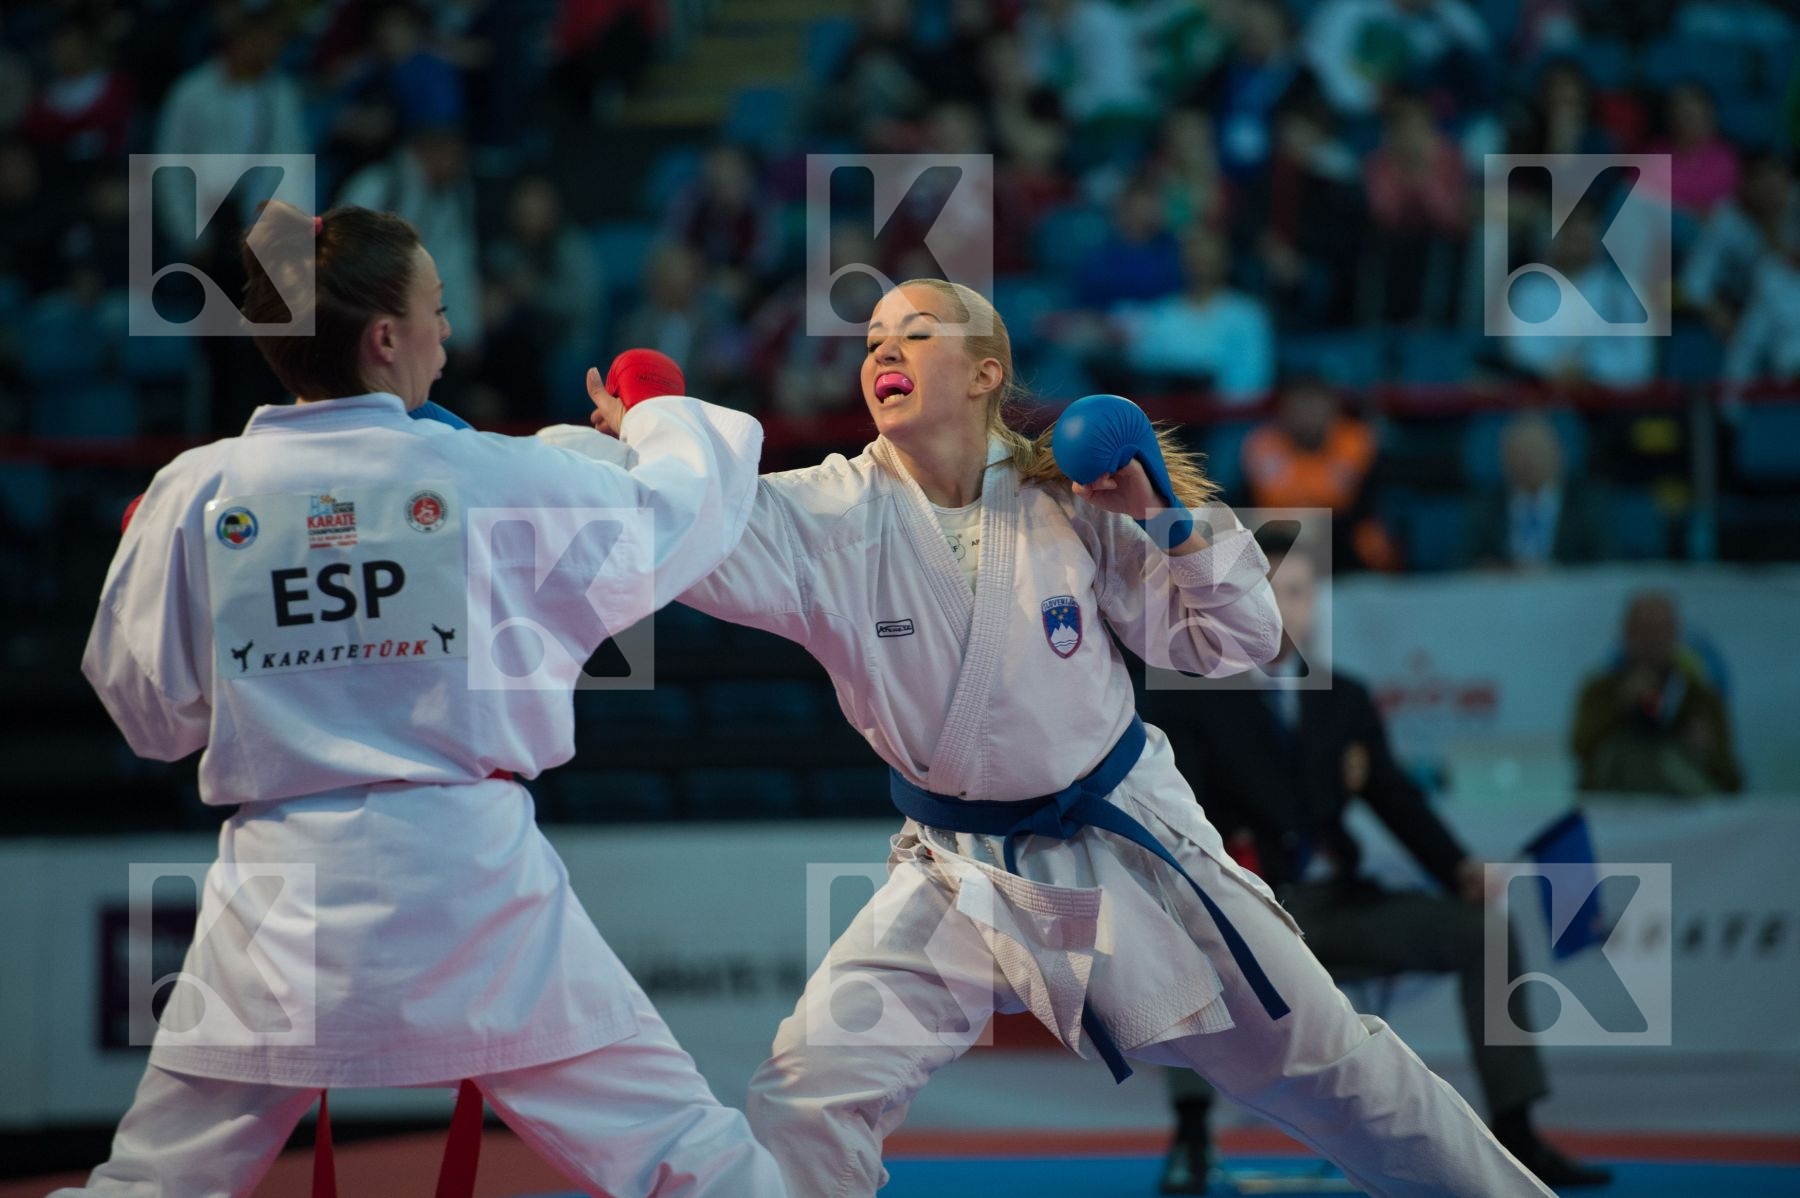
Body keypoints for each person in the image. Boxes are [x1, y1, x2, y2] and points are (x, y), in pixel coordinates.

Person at [606, 278, 1557, 1197]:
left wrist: (1166, 518)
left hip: (1128, 849)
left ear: (985, 374)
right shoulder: (827, 513)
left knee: (1342, 1074)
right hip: (958, 871)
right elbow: (691, 538)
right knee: (810, 1090)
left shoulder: (1071, 498)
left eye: (917, 331)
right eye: (872, 342)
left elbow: (1238, 640)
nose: (884, 349)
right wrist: (653, 442)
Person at [63, 201, 786, 1198]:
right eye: (437, 308)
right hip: (468, 882)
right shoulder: (480, 471)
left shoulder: (196, 491)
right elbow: (672, 512)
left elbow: (150, 720)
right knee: (683, 1151)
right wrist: (659, 410)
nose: (450, 331)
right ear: (384, 337)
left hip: (278, 898)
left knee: (151, 1182)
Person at [1145, 537, 1612, 1193]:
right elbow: (1180, 810)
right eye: (1266, 588)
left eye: (1297, 591)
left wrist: (1459, 867)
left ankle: (1516, 1129)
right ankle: (1192, 1136)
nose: (1281, 605)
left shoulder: (1345, 699)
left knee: (1482, 930)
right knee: (1187, 935)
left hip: (1340, 906)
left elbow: (1397, 800)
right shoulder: (1190, 694)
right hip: (1247, 908)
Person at [1571, 591, 1744, 795]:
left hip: (1683, 807)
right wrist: (1619, 704)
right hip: (1614, 806)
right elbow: (1580, 751)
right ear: (1626, 633)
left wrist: (1706, 750)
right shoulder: (1599, 692)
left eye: (1662, 630)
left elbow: (1731, 779)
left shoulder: (1701, 698)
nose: (1654, 640)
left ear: (1676, 634)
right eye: (1645, 630)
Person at [1468, 411, 1615, 568]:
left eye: (1537, 451)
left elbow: (1607, 565)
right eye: (1520, 453)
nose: (1529, 461)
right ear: (1504, 461)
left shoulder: (1591, 505)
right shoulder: (1485, 510)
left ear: (1559, 454)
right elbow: (1466, 566)